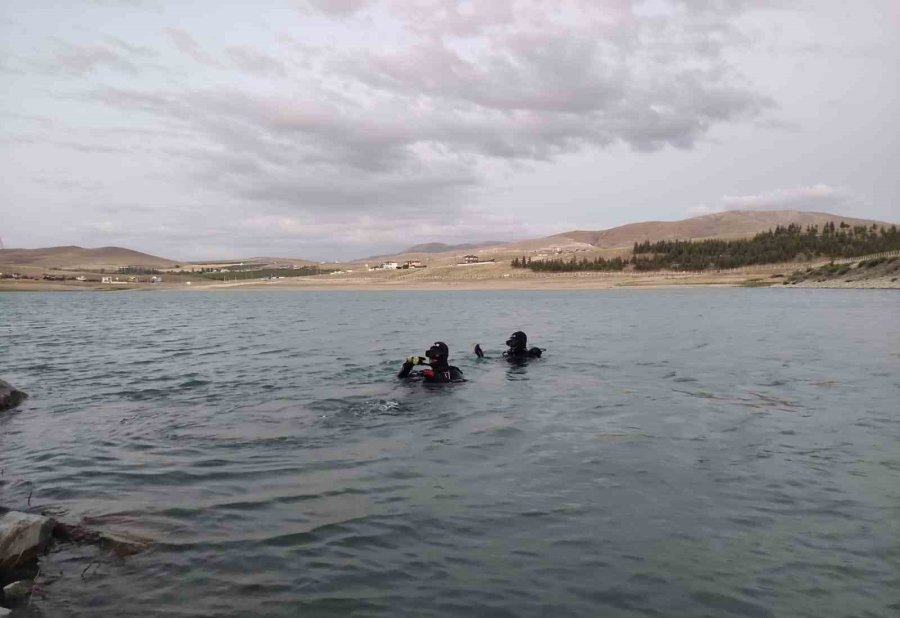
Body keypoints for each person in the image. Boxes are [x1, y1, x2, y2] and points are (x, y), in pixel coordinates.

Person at [398, 341, 464, 383]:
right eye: (430, 354)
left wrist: (435, 376)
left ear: (444, 356)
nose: (431, 357)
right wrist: (408, 365)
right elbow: (401, 378)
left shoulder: (454, 372)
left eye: (435, 354)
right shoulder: (424, 373)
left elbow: (458, 383)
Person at [474, 330, 543, 360]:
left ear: (520, 342)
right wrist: (482, 357)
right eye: (510, 342)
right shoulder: (509, 353)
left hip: (519, 368)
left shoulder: (527, 355)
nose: (511, 345)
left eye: (514, 342)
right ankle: (481, 357)